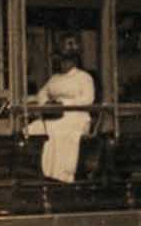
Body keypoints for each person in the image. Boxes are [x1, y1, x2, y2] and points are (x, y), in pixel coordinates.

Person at [24, 35, 95, 183]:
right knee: (32, 128)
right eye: (61, 60)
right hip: (54, 115)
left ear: (74, 60)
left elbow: (88, 99)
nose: (63, 63)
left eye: (67, 59)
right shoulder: (55, 78)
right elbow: (42, 94)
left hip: (76, 116)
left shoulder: (84, 77)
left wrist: (64, 103)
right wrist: (48, 102)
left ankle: (62, 175)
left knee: (58, 132)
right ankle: (39, 172)